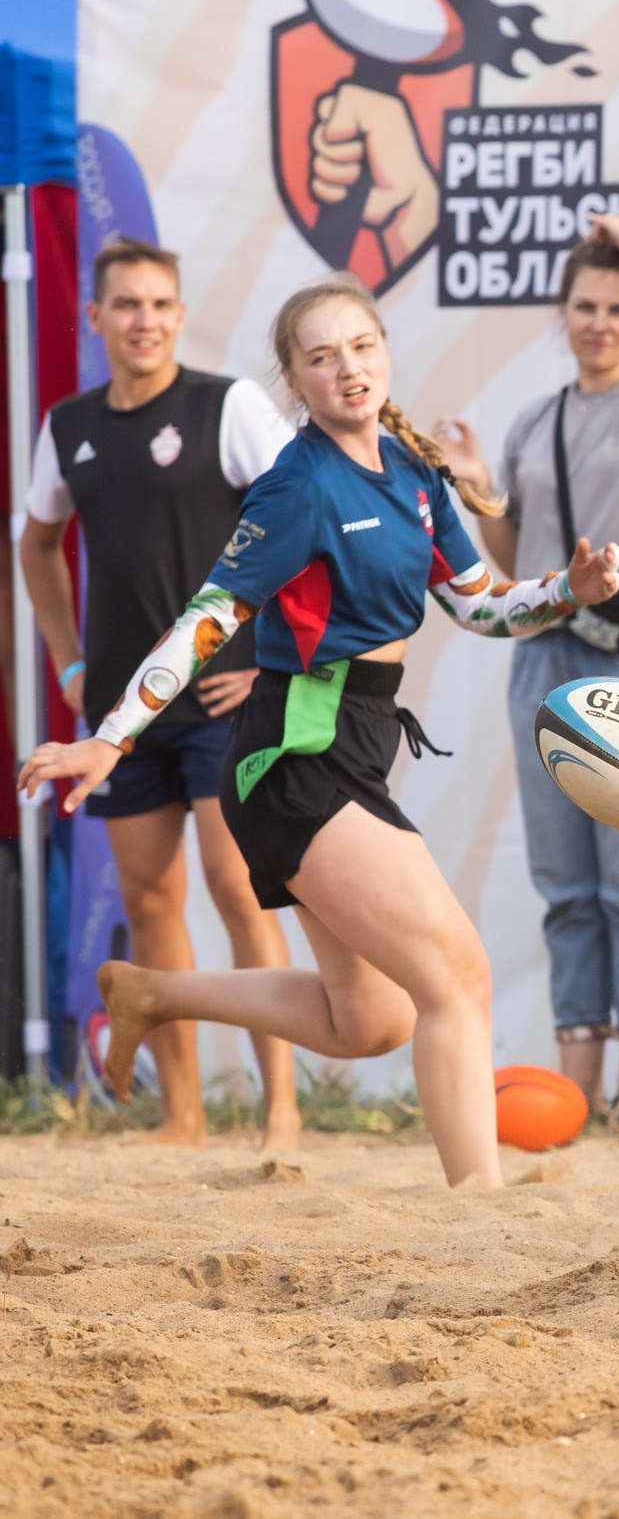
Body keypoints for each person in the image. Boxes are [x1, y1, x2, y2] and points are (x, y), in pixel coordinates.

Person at [18, 276, 619, 1190]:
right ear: (295, 381)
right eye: (321, 356)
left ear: (385, 351)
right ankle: (481, 1212)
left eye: (362, 346)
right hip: (294, 759)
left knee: (370, 1021)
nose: (348, 368)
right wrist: (113, 735)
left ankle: (152, 991)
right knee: (457, 976)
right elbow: (209, 618)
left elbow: (480, 608)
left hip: (356, 748)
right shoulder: (296, 484)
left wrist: (564, 592)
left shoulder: (415, 470)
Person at [434, 214, 619, 1130]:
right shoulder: (536, 418)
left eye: (617, 307)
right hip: (544, 650)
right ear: (563, 314)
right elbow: (514, 555)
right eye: (585, 306)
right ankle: (576, 1088)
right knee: (566, 882)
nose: (599, 321)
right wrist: (478, 486)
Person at [19, 240, 302, 1149]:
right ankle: (183, 1116)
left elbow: (306, 526)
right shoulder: (67, 424)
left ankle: (282, 1112)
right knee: (150, 906)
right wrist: (67, 663)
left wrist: (273, 662)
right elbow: (35, 545)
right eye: (127, 305)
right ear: (94, 319)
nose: (145, 320)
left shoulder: (229, 406)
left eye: (161, 304)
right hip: (120, 713)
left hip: (224, 696)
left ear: (181, 315)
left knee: (240, 889)